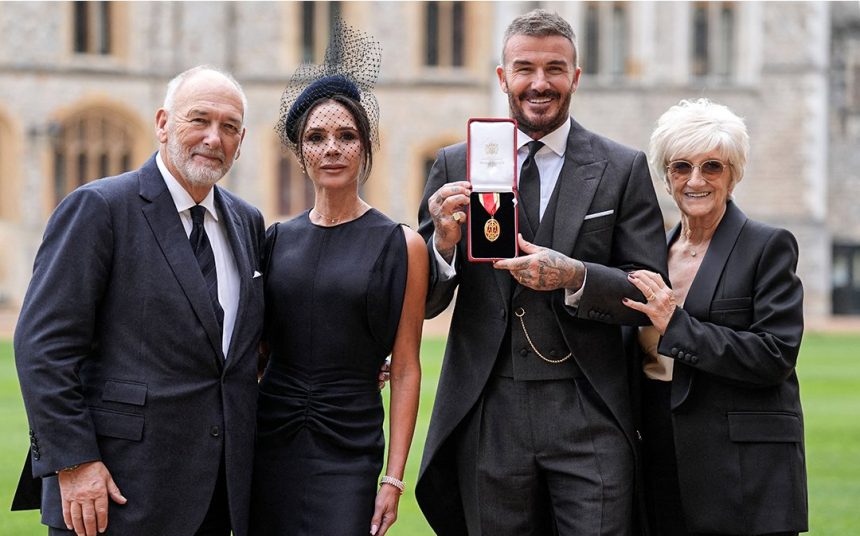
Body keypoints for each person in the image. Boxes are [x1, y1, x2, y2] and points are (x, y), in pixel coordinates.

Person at [416, 8, 668, 536]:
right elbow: (426, 302)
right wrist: (441, 242)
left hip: (589, 407)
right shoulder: (455, 165)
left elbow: (646, 287)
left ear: (575, 76)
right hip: (491, 408)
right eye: (524, 68)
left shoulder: (621, 168)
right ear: (502, 76)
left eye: (555, 68)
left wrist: (575, 277)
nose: (539, 83)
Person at [12, 66, 265, 536]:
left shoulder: (247, 221)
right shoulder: (99, 208)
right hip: (113, 492)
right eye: (200, 120)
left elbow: (244, 348)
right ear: (163, 123)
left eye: (229, 127)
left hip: (218, 496)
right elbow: (42, 348)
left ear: (242, 139)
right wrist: (75, 462)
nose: (214, 137)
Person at [250, 22, 427, 536]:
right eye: (316, 137)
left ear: (365, 148)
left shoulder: (402, 244)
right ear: (301, 152)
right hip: (271, 437)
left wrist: (392, 480)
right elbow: (256, 349)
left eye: (346, 136)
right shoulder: (275, 239)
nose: (332, 148)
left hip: (350, 444)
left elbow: (409, 367)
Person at [622, 98, 807, 536]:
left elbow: (775, 355)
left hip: (742, 468)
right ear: (666, 178)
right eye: (681, 167)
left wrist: (678, 325)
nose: (695, 180)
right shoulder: (650, 254)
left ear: (733, 174)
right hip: (658, 451)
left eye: (712, 167)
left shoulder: (767, 246)